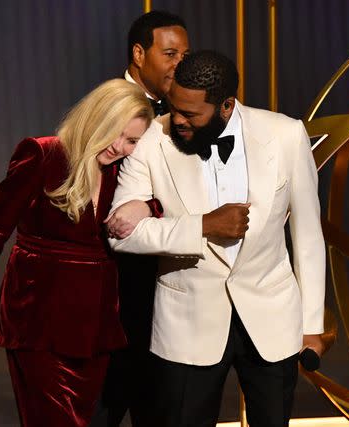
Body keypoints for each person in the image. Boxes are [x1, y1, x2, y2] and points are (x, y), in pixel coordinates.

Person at [106, 51, 326, 427]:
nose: (177, 120)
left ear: (226, 105)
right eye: (174, 107)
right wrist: (202, 226)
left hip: (272, 320)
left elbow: (307, 233)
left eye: (190, 114)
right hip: (186, 326)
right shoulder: (153, 141)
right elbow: (123, 236)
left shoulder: (286, 134)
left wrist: (312, 326)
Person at [0, 79, 154, 427]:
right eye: (114, 133)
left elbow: (160, 210)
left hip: (96, 324)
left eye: (131, 141)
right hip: (38, 318)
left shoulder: (126, 172)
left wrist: (146, 207)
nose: (119, 146)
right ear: (95, 120)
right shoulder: (44, 154)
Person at [90, 11, 190, 427]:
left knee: (160, 408)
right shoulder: (105, 105)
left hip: (167, 284)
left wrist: (150, 207)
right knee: (104, 404)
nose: (179, 64)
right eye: (169, 53)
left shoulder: (187, 111)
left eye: (184, 54)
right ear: (138, 53)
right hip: (110, 284)